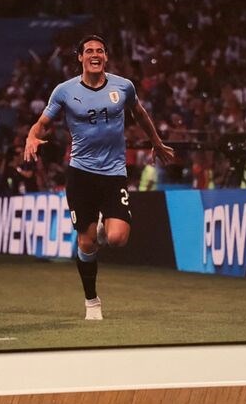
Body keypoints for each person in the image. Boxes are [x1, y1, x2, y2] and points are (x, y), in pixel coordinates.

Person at [24, 35, 174, 320]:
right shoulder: (64, 91)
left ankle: (105, 226)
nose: (95, 55)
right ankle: (92, 301)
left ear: (106, 57)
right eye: (89, 51)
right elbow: (42, 124)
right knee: (87, 242)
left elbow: (140, 113)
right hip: (81, 174)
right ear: (80, 57)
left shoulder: (123, 86)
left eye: (100, 51)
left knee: (117, 239)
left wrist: (156, 142)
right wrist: (32, 137)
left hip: (114, 172)